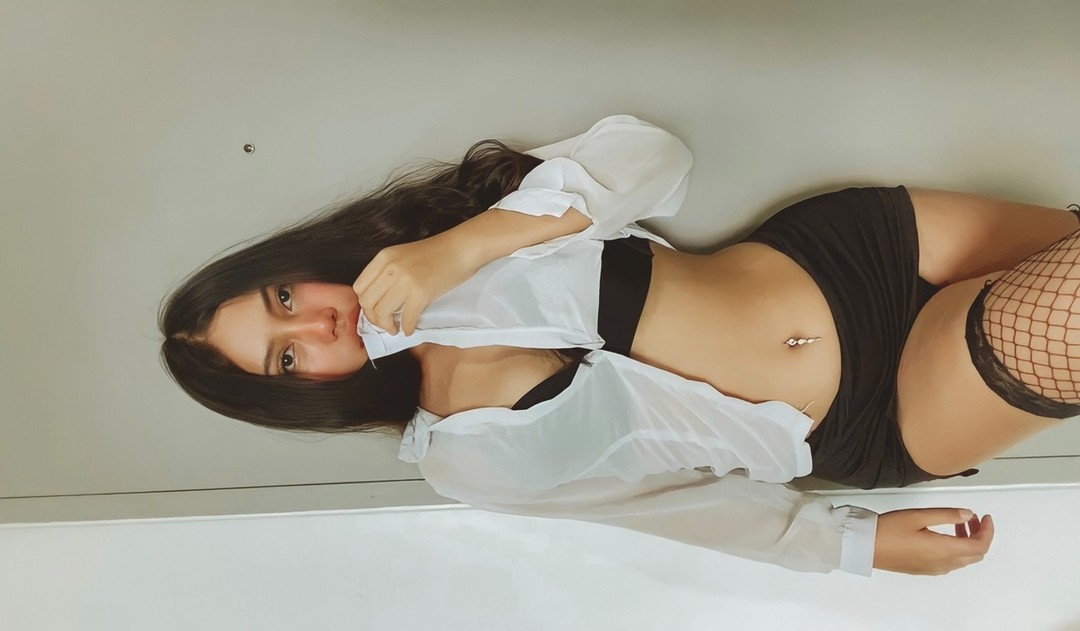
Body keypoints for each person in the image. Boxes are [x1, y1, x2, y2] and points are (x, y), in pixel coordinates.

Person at [160, 115, 1080, 577]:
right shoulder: (462, 459)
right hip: (875, 410)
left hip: (855, 250)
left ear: (297, 269)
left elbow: (653, 155)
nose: (312, 326)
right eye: (286, 356)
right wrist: (855, 546)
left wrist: (462, 246)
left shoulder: (448, 239)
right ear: (302, 394)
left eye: (284, 299)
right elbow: (676, 508)